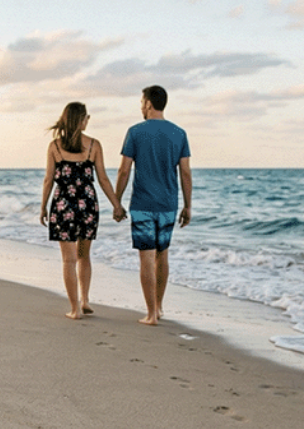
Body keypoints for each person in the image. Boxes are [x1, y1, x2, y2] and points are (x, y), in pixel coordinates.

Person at [115, 85, 192, 326]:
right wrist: (188, 206)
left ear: (148, 104)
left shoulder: (135, 132)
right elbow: (186, 173)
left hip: (143, 204)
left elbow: (124, 170)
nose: (140, 106)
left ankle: (150, 314)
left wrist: (116, 201)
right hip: (168, 203)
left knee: (146, 258)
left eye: (141, 102)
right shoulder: (179, 133)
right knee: (163, 255)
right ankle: (158, 306)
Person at [39, 102, 124, 320]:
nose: (88, 121)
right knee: (84, 256)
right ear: (80, 120)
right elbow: (103, 179)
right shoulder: (94, 145)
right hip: (87, 204)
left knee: (68, 260)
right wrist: (116, 204)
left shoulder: (54, 147)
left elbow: (49, 179)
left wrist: (43, 206)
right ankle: (85, 300)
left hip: (63, 204)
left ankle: (75, 309)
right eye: (86, 117)